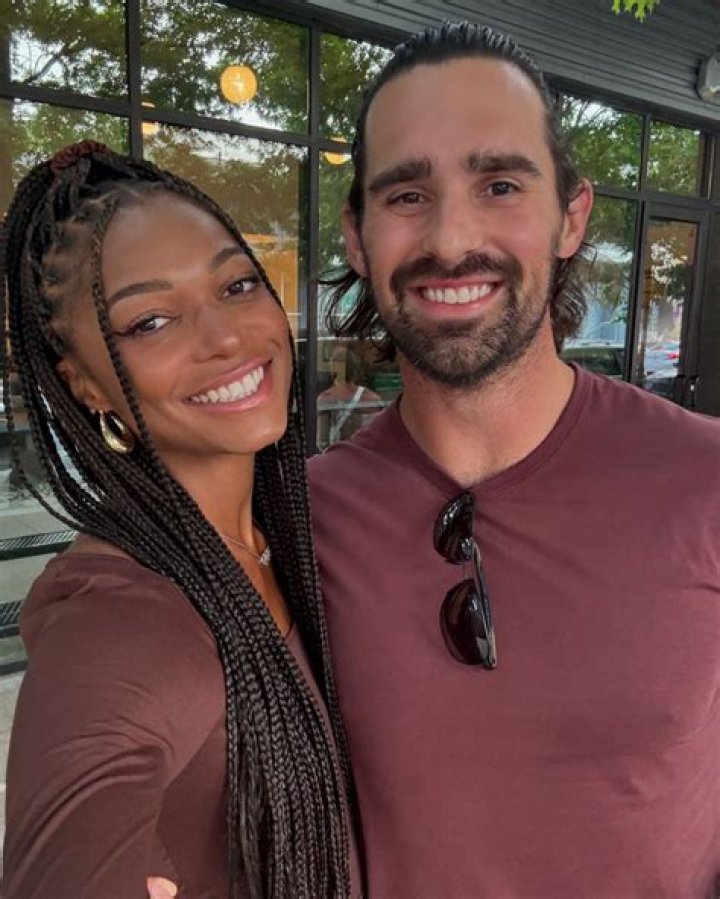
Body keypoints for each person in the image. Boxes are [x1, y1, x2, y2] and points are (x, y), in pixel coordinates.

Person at [146, 20, 720, 899]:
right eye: (408, 194)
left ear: (571, 217)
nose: (451, 239)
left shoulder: (703, 478)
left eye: (499, 185)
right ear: (357, 234)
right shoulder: (291, 523)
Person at [1, 141, 361, 898]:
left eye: (237, 284)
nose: (226, 337)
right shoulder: (120, 620)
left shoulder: (286, 535)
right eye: (152, 321)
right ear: (85, 384)